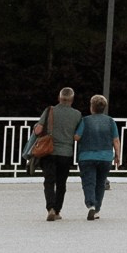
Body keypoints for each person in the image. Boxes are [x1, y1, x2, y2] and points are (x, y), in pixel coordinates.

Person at [36, 85, 81, 221]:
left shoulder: (50, 110)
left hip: (49, 152)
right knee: (61, 183)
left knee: (49, 181)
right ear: (72, 100)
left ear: (59, 98)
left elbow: (38, 130)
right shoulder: (77, 115)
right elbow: (77, 135)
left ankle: (50, 208)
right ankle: (57, 211)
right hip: (66, 153)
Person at [77, 94, 117, 217]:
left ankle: (91, 205)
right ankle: (97, 209)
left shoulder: (85, 120)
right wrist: (118, 156)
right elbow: (116, 140)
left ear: (91, 107)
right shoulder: (110, 121)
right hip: (105, 157)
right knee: (100, 183)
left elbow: (77, 137)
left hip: (86, 156)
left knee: (89, 182)